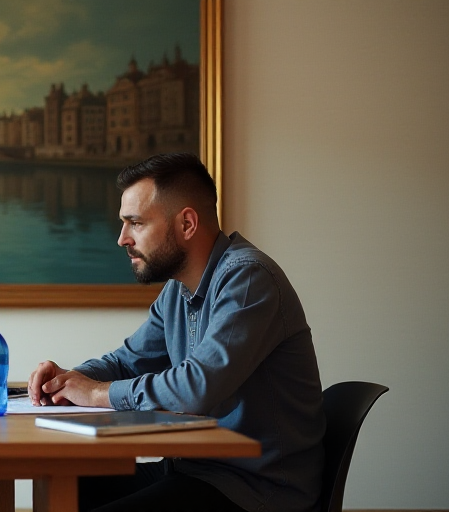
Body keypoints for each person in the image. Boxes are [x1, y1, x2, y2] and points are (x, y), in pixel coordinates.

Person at [28, 153, 325, 512]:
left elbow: (196, 387)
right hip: (193, 470)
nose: (122, 238)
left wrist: (94, 394)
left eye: (135, 223)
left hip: (255, 490)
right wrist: (70, 378)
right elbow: (127, 362)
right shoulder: (178, 290)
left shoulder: (248, 278)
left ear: (187, 224)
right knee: (62, 487)